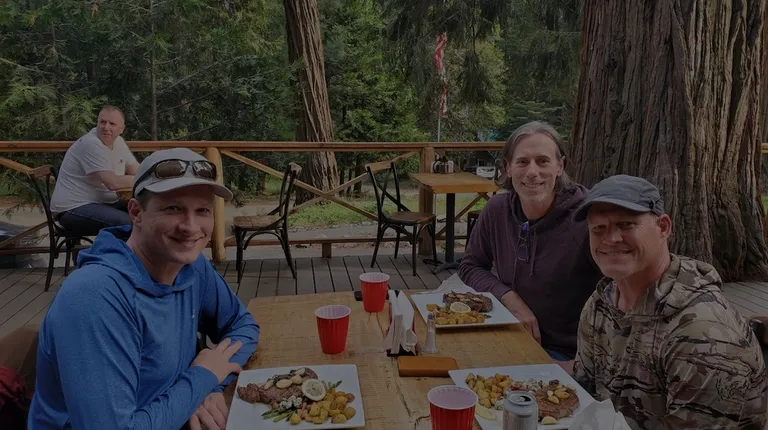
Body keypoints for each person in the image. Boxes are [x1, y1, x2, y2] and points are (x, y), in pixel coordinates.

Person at [29, 148, 261, 430]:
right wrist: (202, 378)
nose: (190, 227)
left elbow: (242, 325)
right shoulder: (95, 296)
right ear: (136, 212)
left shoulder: (191, 267)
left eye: (202, 210)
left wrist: (205, 387)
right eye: (173, 209)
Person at [571, 174, 767, 429]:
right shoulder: (601, 303)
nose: (611, 238)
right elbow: (582, 398)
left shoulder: (703, 333)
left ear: (663, 228)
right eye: (598, 228)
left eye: (626, 225)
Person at [459, 121, 603, 360]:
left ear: (560, 166)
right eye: (522, 162)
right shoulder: (497, 210)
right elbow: (470, 265)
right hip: (508, 334)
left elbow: (619, 288)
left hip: (569, 353)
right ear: (508, 167)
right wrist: (508, 297)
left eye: (543, 161)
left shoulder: (587, 217)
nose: (532, 172)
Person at [50, 105, 139, 236]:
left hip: (103, 203)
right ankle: (116, 250)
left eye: (112, 124)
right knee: (129, 223)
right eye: (102, 122)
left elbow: (136, 169)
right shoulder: (91, 144)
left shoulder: (118, 142)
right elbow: (113, 183)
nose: (106, 127)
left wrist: (154, 174)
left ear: (121, 129)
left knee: (145, 212)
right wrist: (141, 178)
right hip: (73, 208)